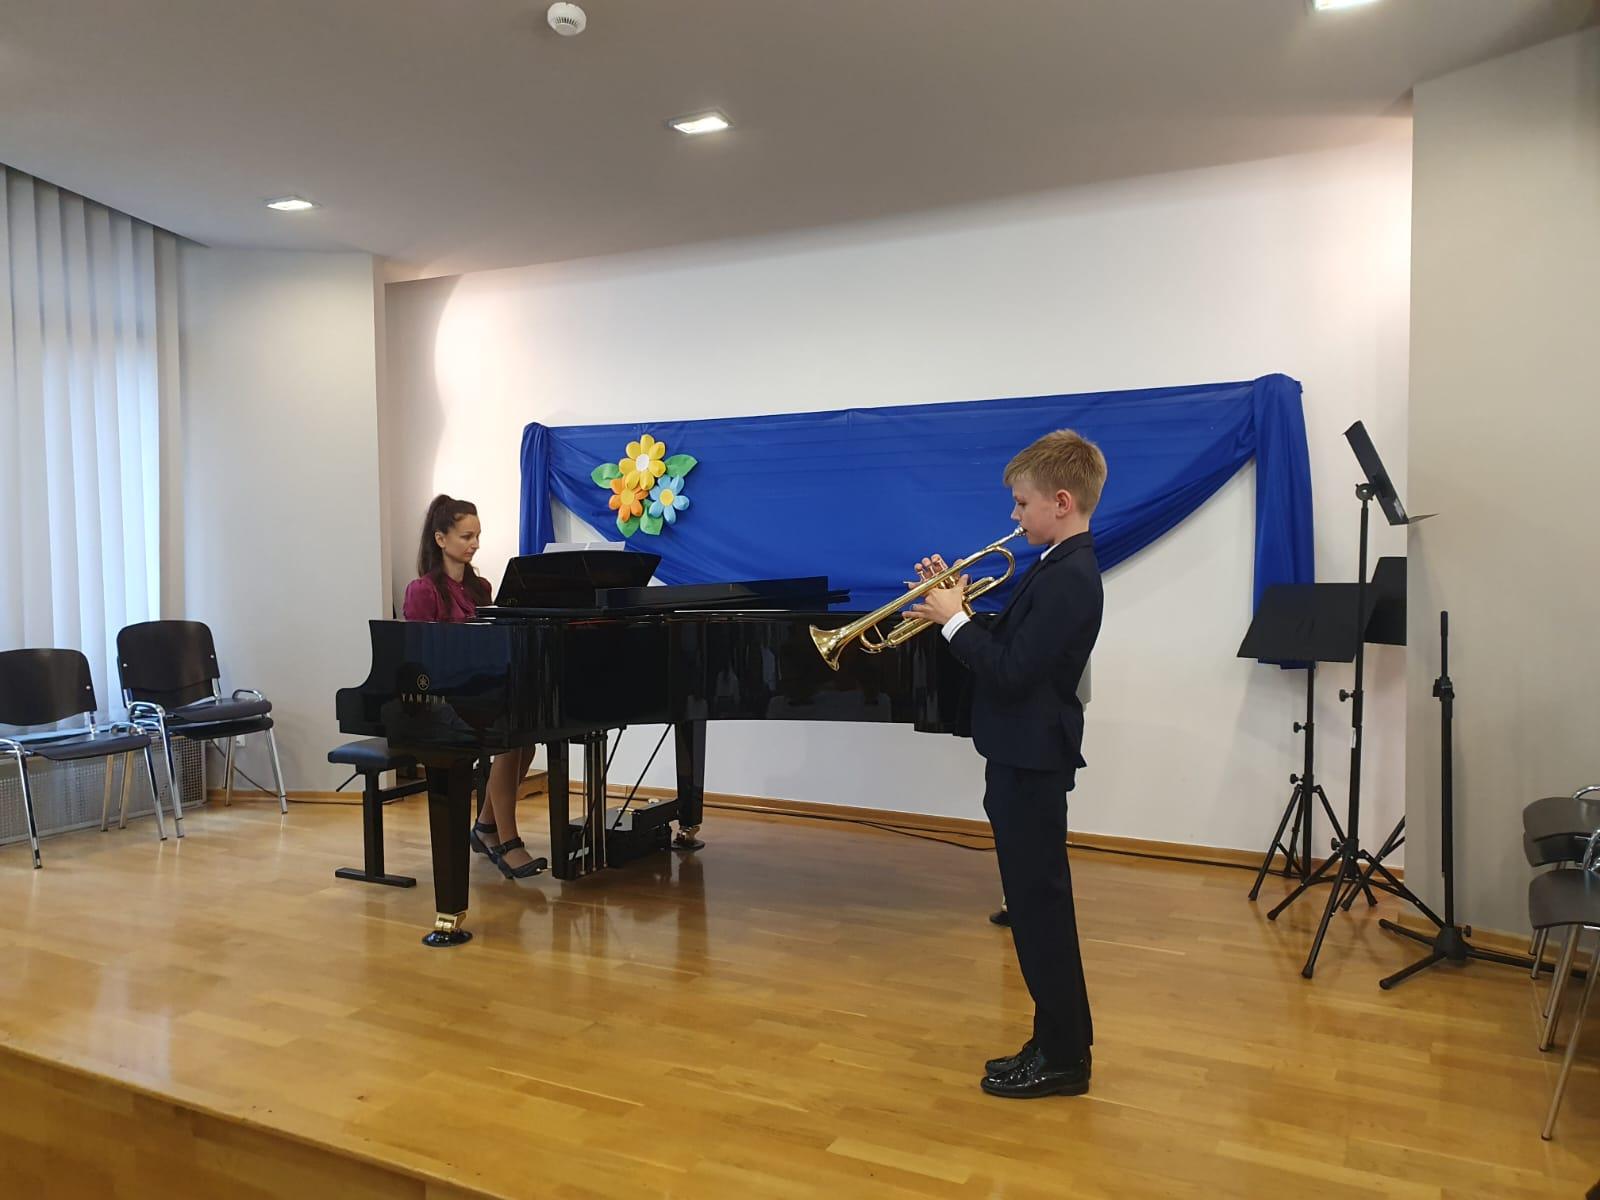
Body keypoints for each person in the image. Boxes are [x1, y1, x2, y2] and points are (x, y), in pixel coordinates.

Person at [907, 429, 1105, 1099]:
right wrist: (958, 607)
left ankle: (1064, 1057)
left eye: (1022, 503)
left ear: (1060, 501)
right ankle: (1053, 1041)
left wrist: (955, 623)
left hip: (1032, 757)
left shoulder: (1071, 576)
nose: (1014, 516)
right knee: (1034, 907)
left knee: (1039, 911)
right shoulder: (1056, 564)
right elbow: (1020, 648)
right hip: (1021, 754)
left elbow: (1015, 674)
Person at [403, 494, 544, 880]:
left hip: (478, 691)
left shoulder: (481, 587)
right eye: (466, 536)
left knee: (527, 738)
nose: (475, 544)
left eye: (477, 535)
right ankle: (507, 841)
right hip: (441, 698)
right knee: (510, 737)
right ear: (440, 539)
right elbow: (419, 658)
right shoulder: (422, 590)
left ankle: (484, 827)